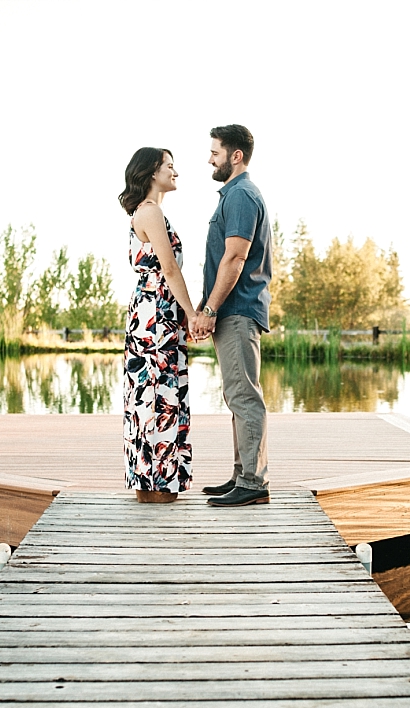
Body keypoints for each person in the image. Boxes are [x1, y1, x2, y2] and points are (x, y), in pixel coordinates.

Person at [189, 124, 271, 507]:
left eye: (215, 151)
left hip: (236, 311)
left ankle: (254, 483)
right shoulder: (234, 195)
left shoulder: (241, 196)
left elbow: (235, 258)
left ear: (235, 155)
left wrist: (209, 309)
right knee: (235, 394)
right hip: (232, 312)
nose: (210, 158)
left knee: (244, 395)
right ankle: (242, 475)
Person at [119, 147, 196, 503]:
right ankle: (157, 489)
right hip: (155, 316)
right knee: (156, 395)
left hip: (156, 312)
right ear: (152, 172)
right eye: (169, 166)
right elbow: (169, 267)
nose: (175, 171)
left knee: (155, 394)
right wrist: (192, 313)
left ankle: (155, 488)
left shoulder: (149, 212)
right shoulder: (150, 212)